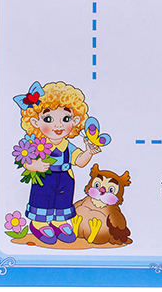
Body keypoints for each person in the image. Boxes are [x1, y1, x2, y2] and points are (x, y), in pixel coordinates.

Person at [13, 81, 102, 245]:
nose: (58, 125)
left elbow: (80, 162)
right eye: (48, 119)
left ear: (75, 120)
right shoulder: (38, 144)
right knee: (42, 200)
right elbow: (25, 160)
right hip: (44, 179)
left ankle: (59, 222)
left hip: (65, 179)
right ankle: (39, 223)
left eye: (66, 118)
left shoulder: (68, 146)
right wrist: (35, 165)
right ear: (35, 122)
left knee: (63, 201)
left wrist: (89, 152)